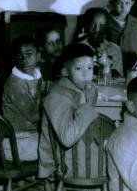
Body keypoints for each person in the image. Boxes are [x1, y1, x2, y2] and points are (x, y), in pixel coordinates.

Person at [38, 43, 99, 180]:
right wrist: (89, 105)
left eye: (90, 68)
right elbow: (67, 139)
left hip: (75, 151)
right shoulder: (57, 96)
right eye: (79, 68)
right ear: (65, 71)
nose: (86, 74)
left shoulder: (74, 88)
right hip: (62, 161)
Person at [2, 36, 45, 161]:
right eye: (19, 56)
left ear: (38, 55)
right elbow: (33, 115)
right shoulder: (15, 83)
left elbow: (43, 89)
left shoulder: (36, 74)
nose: (24, 60)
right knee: (57, 146)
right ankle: (48, 175)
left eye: (29, 55)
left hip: (30, 133)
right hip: (17, 140)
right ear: (14, 58)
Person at [106, 0, 137, 74]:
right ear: (112, 3)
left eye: (127, 3)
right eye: (119, 3)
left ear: (132, 3)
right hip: (112, 68)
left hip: (131, 68)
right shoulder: (105, 22)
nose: (123, 7)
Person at [79, 8, 124, 77]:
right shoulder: (76, 49)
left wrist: (106, 65)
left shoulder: (115, 49)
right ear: (86, 25)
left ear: (106, 27)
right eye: (93, 24)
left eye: (101, 25)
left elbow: (118, 76)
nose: (97, 29)